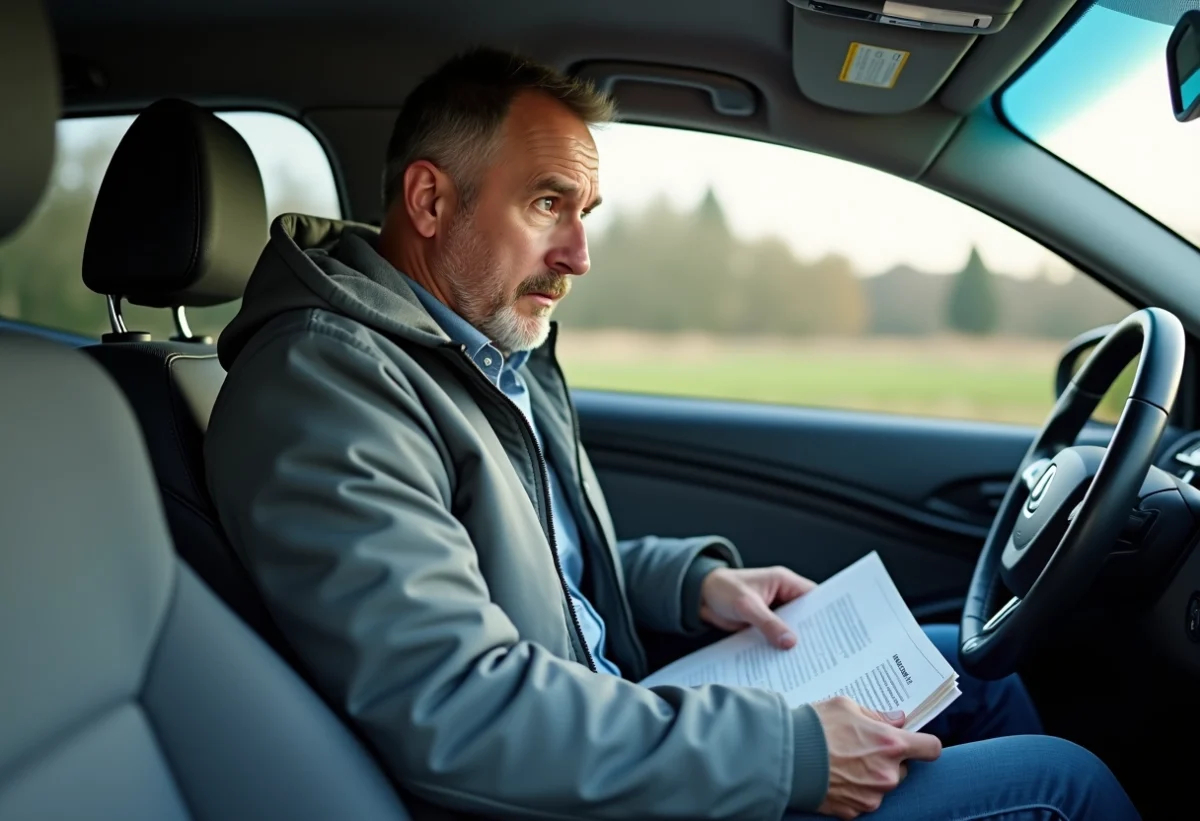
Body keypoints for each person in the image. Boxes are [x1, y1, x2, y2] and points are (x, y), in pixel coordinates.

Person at [205, 47, 1140, 821]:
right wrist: (793, 756)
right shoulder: (329, 382)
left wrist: (691, 584)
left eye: (584, 213)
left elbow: (523, 563)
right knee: (1063, 784)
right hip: (556, 789)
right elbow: (459, 713)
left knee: (965, 669)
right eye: (546, 205)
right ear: (429, 201)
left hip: (605, 725)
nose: (577, 255)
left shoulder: (466, 347)